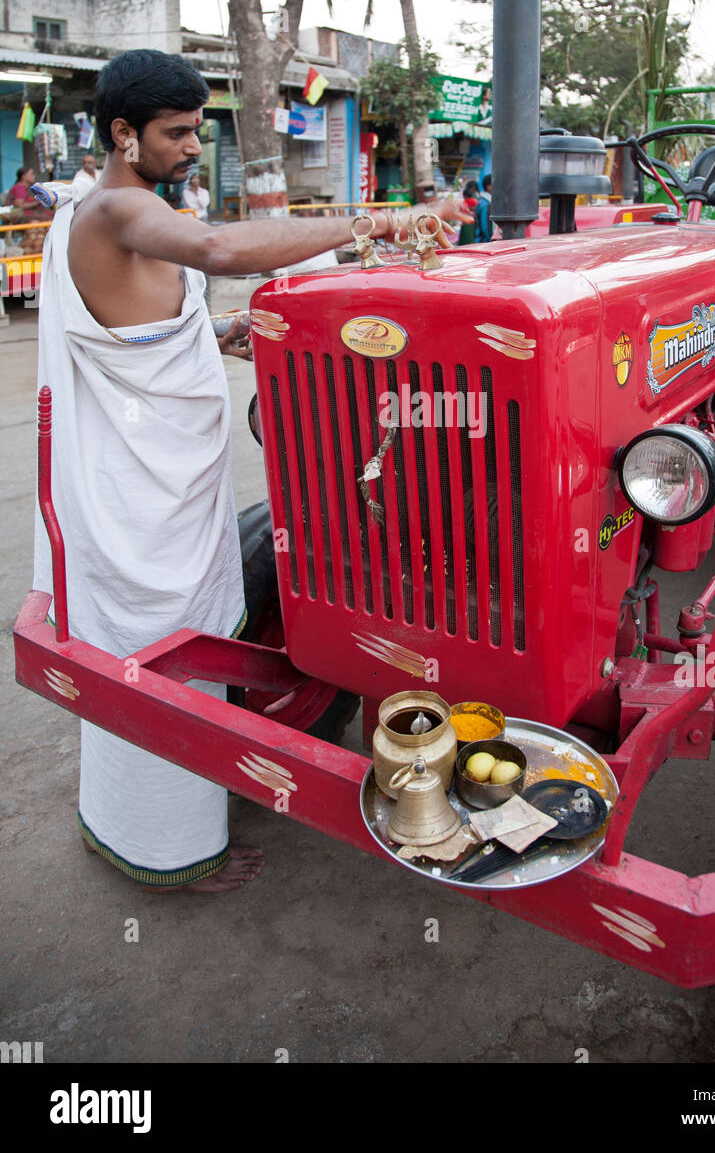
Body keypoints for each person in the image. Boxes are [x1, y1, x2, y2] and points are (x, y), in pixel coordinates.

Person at [33, 47, 469, 894]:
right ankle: (172, 854)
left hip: (171, 492)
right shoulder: (115, 212)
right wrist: (378, 221)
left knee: (170, 657)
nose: (194, 146)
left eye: (199, 129)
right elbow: (216, 247)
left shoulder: (124, 215)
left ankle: (131, 819)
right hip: (140, 510)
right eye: (177, 132)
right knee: (163, 665)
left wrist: (220, 332)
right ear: (123, 134)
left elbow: (150, 324)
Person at [458, 181, 479, 246]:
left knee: (466, 239)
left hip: (467, 222)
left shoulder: (470, 199)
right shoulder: (475, 198)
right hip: (470, 221)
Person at [474, 173, 493, 243]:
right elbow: (485, 227)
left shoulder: (483, 201)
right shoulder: (485, 204)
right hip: (484, 242)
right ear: (488, 186)